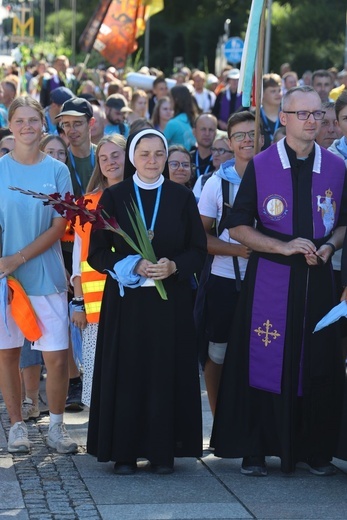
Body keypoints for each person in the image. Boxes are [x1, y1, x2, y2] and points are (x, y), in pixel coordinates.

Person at [212, 86, 347, 477]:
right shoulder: (262, 164)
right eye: (302, 115)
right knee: (266, 360)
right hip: (271, 281)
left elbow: (342, 225)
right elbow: (236, 227)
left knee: (318, 361)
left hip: (319, 280)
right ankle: (257, 447)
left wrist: (328, 246)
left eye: (317, 114)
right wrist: (281, 247)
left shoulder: (337, 167)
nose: (311, 121)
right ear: (283, 118)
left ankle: (314, 449)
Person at [86, 128, 207, 475]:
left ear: (166, 157)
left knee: (163, 371)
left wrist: (173, 266)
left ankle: (162, 452)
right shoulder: (115, 196)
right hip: (128, 304)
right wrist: (131, 264)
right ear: (132, 158)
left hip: (170, 305)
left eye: (158, 154)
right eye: (144, 154)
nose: (152, 161)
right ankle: (124, 452)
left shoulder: (181, 197)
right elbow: (97, 253)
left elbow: (198, 251)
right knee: (129, 371)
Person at [0, 96, 77, 454]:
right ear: (11, 125)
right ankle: (16, 426)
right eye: (20, 120)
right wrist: (7, 262)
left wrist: (19, 257)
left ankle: (57, 427)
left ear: (42, 126)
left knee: (57, 355)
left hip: (43, 273)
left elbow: (61, 224)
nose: (27, 126)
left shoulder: (57, 171)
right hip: (5, 277)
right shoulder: (0, 169)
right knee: (8, 353)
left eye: (34, 120)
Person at [197, 112, 262, 416]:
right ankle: (220, 418)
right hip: (225, 280)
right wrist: (237, 251)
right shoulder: (216, 184)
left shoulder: (277, 178)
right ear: (230, 142)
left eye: (253, 133)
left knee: (261, 352)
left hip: (267, 281)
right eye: (240, 135)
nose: (247, 140)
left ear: (263, 137)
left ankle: (255, 421)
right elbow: (199, 237)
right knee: (218, 352)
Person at [70, 135, 126, 407]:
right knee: (100, 369)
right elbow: (79, 258)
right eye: (103, 158)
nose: (110, 162)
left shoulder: (142, 195)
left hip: (136, 300)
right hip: (98, 306)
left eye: (115, 155)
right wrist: (78, 301)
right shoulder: (88, 203)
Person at [164, 85, 199, 150]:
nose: (169, 101)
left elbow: (161, 145)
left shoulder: (173, 123)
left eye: (170, 98)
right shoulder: (195, 119)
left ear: (176, 100)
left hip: (175, 158)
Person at [190, 114, 217, 184]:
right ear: (194, 132)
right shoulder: (187, 159)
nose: (207, 134)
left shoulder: (220, 160)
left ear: (216, 133)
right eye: (203, 129)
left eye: (211, 130)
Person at [260, 73, 283, 149]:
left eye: (279, 90)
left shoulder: (288, 116)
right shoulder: (254, 117)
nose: (278, 94)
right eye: (273, 91)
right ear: (262, 94)